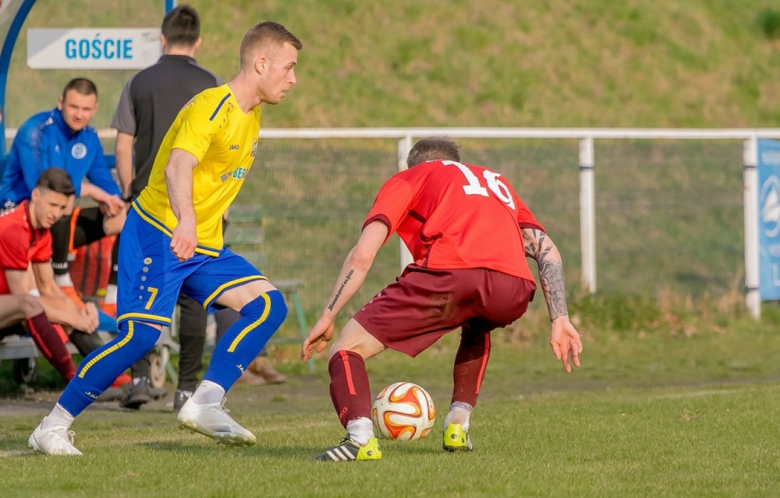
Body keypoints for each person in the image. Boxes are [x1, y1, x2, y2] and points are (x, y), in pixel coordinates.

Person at [29, 21, 303, 456]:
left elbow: (218, 177)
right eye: (288, 67)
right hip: (160, 233)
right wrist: (188, 221)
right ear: (261, 62)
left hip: (203, 244)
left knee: (268, 305)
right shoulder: (211, 108)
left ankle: (206, 403)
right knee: (141, 337)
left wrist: (206, 222)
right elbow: (178, 167)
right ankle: (52, 425)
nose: (293, 78)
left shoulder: (253, 114)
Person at [301, 137, 583, 462]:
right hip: (514, 287)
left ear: (414, 165)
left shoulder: (412, 177)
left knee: (346, 348)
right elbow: (547, 250)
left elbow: (363, 253)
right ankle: (457, 427)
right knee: (477, 328)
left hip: (450, 274)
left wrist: (327, 315)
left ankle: (360, 438)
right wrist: (559, 318)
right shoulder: (496, 183)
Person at [110, 4, 283, 411]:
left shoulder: (139, 81)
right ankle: (187, 387)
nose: (292, 78)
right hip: (184, 215)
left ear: (162, 37)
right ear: (199, 41)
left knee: (145, 317)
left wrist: (127, 191)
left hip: (156, 209)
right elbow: (206, 159)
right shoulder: (213, 85)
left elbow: (123, 143)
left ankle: (141, 379)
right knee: (191, 308)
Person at [0, 78, 126, 308]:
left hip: (57, 225)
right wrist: (91, 191)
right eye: (74, 107)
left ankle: (113, 297)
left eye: (86, 109)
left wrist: (112, 199)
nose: (79, 114)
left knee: (124, 215)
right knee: (61, 203)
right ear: (60, 103)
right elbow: (41, 187)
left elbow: (104, 180)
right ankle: (61, 278)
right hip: (21, 223)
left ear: (94, 109)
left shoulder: (89, 136)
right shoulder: (35, 131)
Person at [0, 168, 105, 381]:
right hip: (11, 308)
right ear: (36, 195)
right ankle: (75, 380)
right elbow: (24, 300)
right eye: (52, 205)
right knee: (29, 304)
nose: (56, 214)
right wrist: (75, 320)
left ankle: (109, 378)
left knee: (58, 304)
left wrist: (78, 313)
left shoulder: (41, 231)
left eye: (62, 208)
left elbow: (49, 288)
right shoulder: (13, 228)